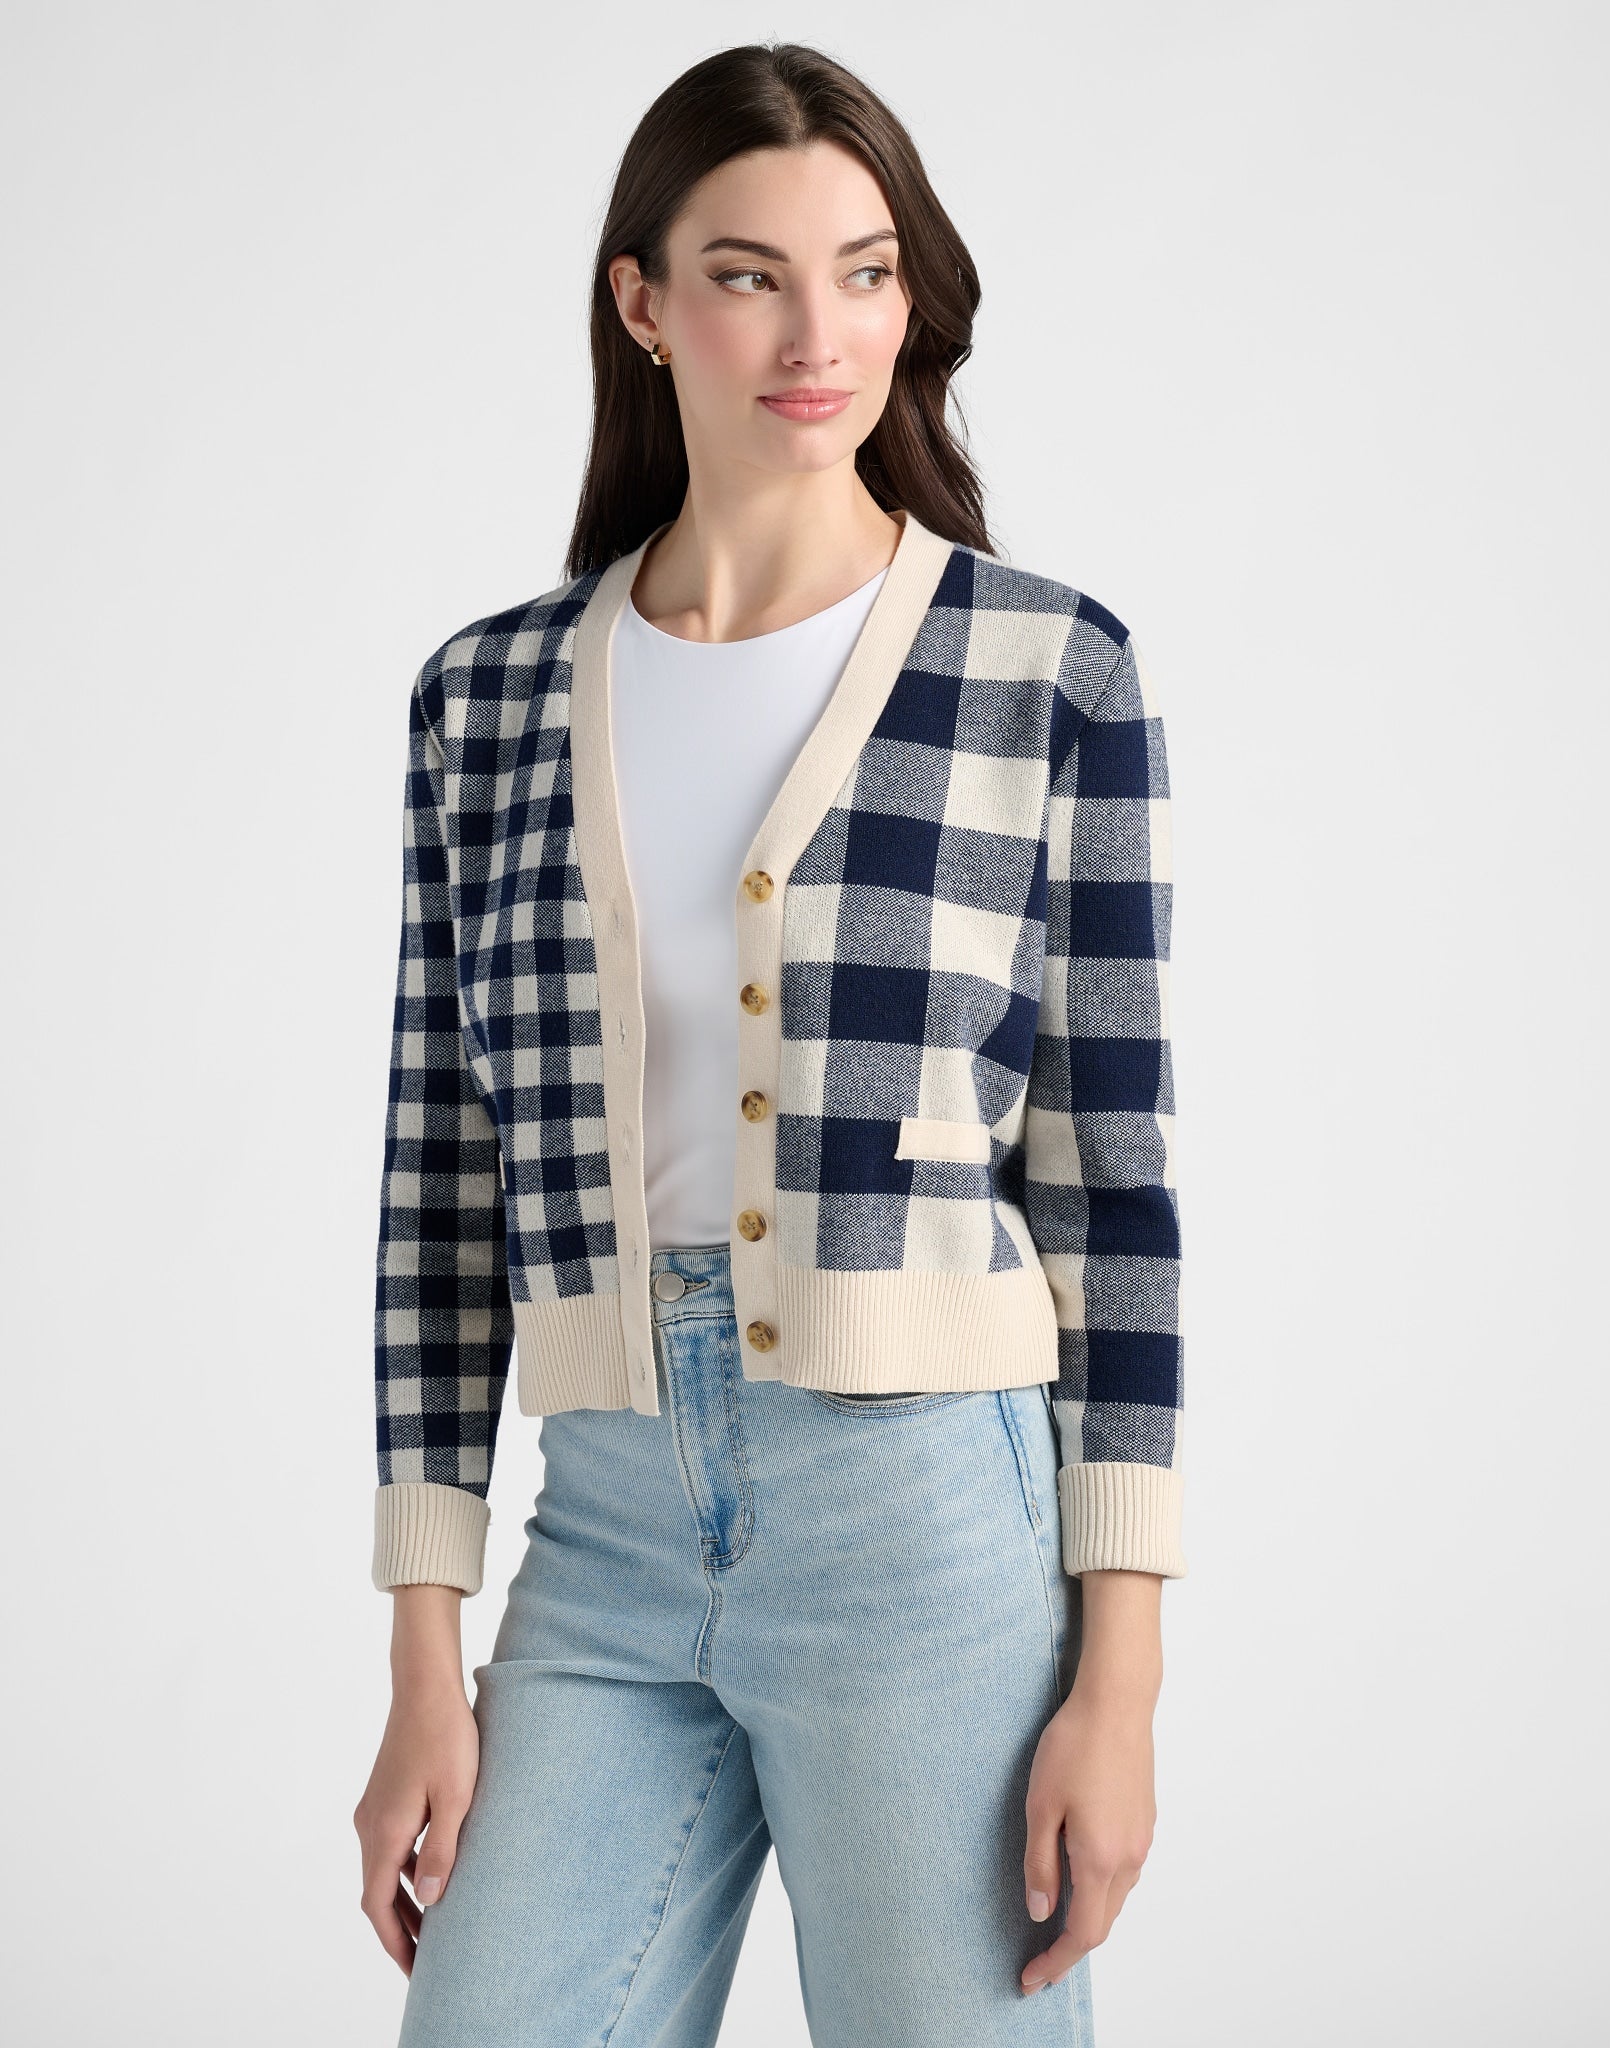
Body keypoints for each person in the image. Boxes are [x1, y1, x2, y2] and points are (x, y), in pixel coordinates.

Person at [354, 40, 1186, 2046]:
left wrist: (1122, 1681)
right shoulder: (488, 701)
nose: (820, 336)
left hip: (927, 1521)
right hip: (606, 1524)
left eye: (865, 272)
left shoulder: (1043, 669)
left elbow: (1113, 1191)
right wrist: (423, 1656)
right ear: (643, 304)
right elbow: (441, 1185)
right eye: (748, 276)